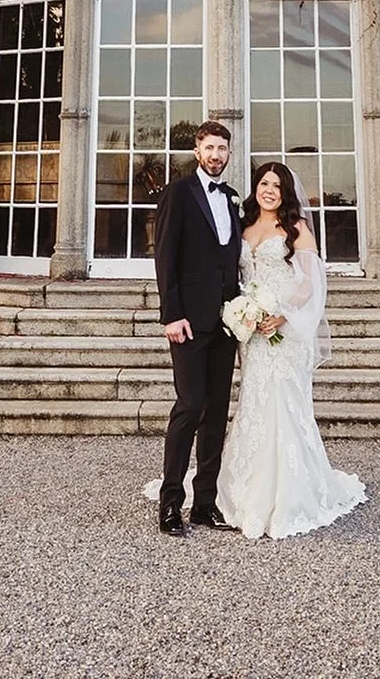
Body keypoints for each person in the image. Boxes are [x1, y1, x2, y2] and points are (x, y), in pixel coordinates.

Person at [215, 161, 366, 540]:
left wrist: (281, 316)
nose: (269, 190)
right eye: (264, 183)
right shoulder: (244, 223)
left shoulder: (295, 228)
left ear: (286, 192)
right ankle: (246, 484)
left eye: (276, 185)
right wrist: (245, 314)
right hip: (253, 329)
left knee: (285, 402)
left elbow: (311, 284)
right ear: (256, 187)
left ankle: (290, 492)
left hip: (286, 329)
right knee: (254, 401)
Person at [151, 121, 242, 538]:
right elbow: (165, 255)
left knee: (216, 413)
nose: (216, 155)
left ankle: (205, 504)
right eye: (210, 147)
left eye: (222, 148)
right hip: (187, 322)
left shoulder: (232, 199)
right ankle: (171, 504)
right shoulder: (179, 193)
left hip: (226, 324)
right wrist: (171, 314)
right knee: (188, 407)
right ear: (196, 150)